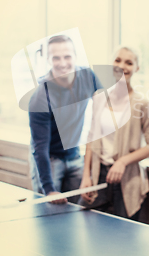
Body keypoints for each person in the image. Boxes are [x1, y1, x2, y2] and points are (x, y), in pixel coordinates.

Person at [79, 46, 149, 220]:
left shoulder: (142, 104)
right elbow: (91, 139)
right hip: (98, 176)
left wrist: (122, 161)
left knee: (124, 238)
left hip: (127, 180)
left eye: (129, 62)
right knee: (89, 232)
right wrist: (86, 176)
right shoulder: (98, 97)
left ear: (136, 68)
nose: (122, 66)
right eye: (118, 60)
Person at [29, 35, 101, 204]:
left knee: (83, 207)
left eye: (67, 56)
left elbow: (106, 107)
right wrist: (49, 189)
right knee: (49, 212)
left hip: (74, 155)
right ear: (48, 59)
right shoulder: (40, 97)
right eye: (56, 58)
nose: (62, 63)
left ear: (75, 56)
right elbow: (40, 148)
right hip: (50, 159)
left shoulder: (88, 77)